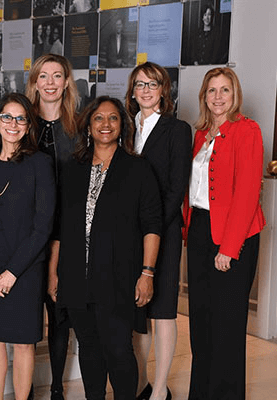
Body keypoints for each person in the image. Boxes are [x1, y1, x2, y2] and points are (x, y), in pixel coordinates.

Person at [57, 96, 162, 400]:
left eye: (113, 118)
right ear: (88, 126)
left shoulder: (138, 169)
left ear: (122, 125)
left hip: (118, 276)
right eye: (98, 119)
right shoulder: (72, 169)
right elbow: (60, 226)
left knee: (117, 347)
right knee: (89, 347)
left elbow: (152, 226)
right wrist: (54, 273)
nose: (106, 124)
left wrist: (147, 273)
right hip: (77, 275)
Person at [0, 93, 56, 400]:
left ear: (29, 125)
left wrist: (12, 273)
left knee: (22, 343)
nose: (13, 124)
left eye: (20, 118)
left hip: (24, 269)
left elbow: (43, 225)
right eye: (7, 117)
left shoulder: (41, 164)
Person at [184, 67, 265, 400]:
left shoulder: (248, 131)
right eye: (212, 91)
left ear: (235, 96)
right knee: (201, 325)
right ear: (204, 96)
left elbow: (247, 195)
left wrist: (229, 248)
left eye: (225, 91)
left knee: (227, 328)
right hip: (201, 231)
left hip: (235, 236)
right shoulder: (201, 133)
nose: (218, 97)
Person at [125, 62, 192, 400]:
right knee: (137, 315)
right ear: (132, 91)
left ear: (164, 90)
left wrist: (150, 230)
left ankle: (160, 388)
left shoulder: (177, 130)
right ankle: (141, 383)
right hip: (127, 236)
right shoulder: (123, 128)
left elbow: (176, 188)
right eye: (140, 84)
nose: (147, 90)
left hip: (163, 233)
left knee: (163, 311)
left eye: (153, 84)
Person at [25, 53, 79, 400]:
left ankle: (57, 386)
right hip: (28, 235)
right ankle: (26, 387)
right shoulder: (21, 123)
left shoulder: (79, 126)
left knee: (60, 312)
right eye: (43, 76)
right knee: (28, 313)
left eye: (56, 76)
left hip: (70, 234)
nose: (49, 82)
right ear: (34, 83)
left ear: (66, 83)